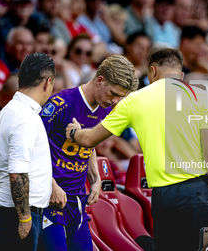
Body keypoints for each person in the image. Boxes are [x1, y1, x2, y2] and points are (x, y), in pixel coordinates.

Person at [65, 48, 208, 251]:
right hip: (200, 195)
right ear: (181, 75)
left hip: (163, 198)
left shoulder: (134, 101)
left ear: (152, 72)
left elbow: (89, 139)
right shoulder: (201, 99)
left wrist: (74, 133)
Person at [37, 55, 138, 251]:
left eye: (120, 97)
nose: (115, 101)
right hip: (49, 200)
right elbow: (29, 144)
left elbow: (89, 144)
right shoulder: (61, 103)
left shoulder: (105, 107)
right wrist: (50, 183)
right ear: (100, 80)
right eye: (113, 93)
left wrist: (95, 178)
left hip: (77, 202)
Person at [0, 52, 55, 251]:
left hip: (9, 213)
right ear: (48, 82)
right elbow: (17, 173)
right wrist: (25, 218)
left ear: (20, 80)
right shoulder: (24, 117)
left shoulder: (11, 110)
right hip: (15, 216)